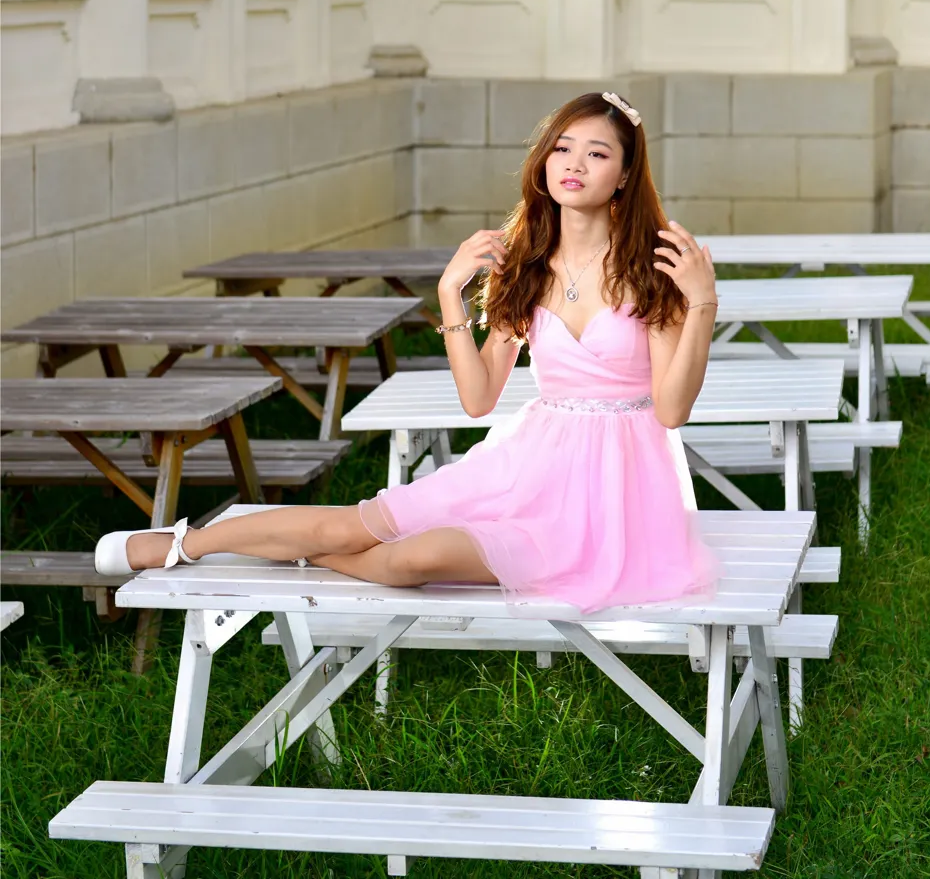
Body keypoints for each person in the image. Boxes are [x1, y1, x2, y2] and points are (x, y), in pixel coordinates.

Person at [96, 90, 720, 612]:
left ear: (624, 175)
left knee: (415, 559)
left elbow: (670, 412)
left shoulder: (654, 273)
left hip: (613, 497)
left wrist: (702, 304)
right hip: (528, 466)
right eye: (561, 147)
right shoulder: (526, 268)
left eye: (596, 152)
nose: (573, 163)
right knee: (349, 523)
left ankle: (293, 551)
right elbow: (479, 401)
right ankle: (182, 543)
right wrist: (451, 292)